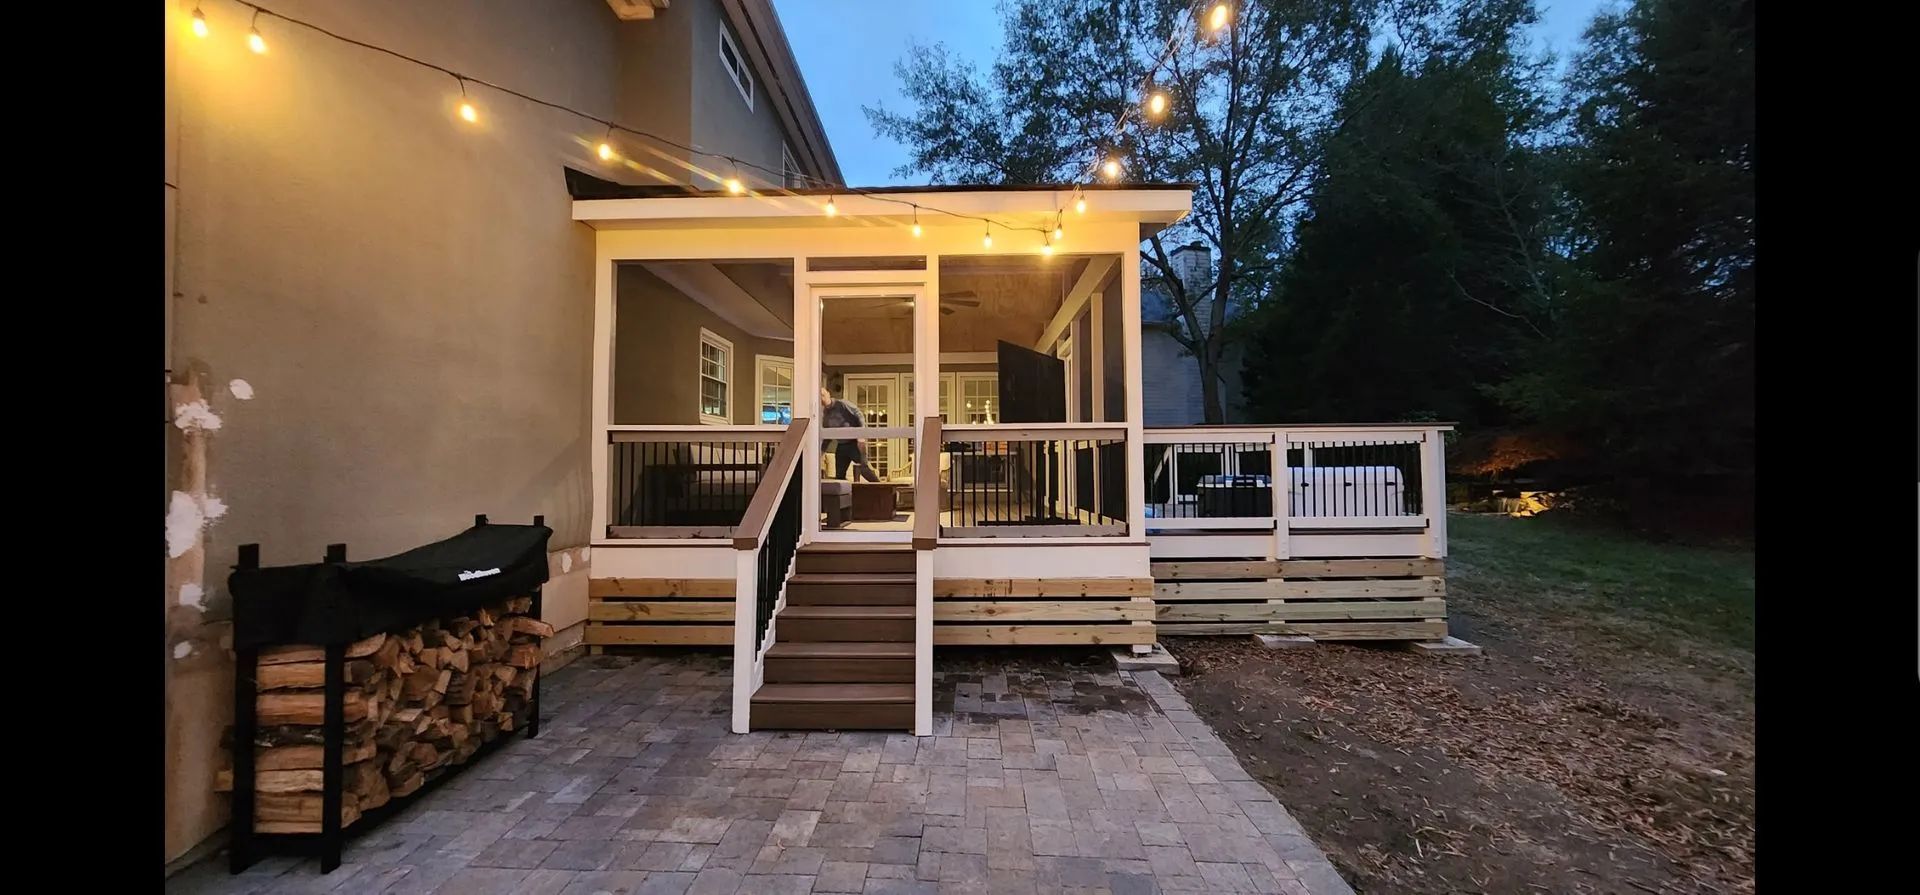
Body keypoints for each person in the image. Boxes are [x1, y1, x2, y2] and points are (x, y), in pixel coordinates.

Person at [820, 386, 881, 482]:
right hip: (841, 446)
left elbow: (859, 414)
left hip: (854, 444)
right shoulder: (825, 414)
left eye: (823, 395)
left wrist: (861, 435)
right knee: (839, 476)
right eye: (819, 397)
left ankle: (881, 489)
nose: (822, 399)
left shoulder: (842, 404)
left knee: (864, 469)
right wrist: (821, 452)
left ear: (828, 394)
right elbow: (828, 436)